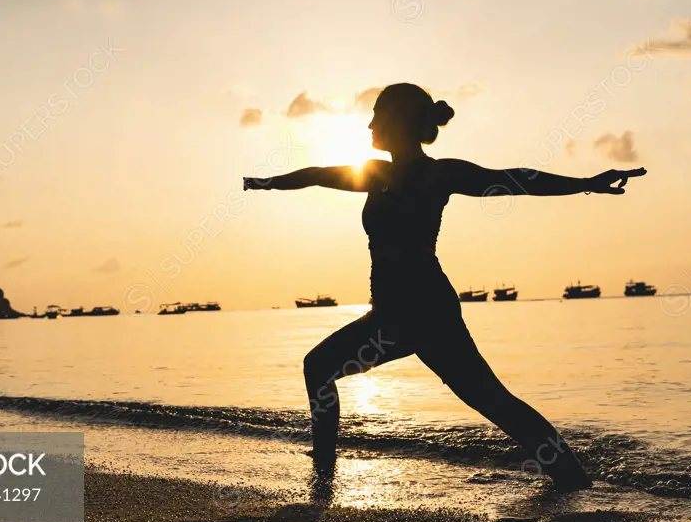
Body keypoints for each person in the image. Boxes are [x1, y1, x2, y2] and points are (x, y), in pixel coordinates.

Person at [243, 83, 646, 491]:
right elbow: (316, 175)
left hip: (428, 310)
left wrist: (585, 183)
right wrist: (264, 183)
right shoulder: (374, 173)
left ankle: (573, 479)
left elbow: (515, 180)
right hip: (390, 314)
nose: (369, 124)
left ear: (397, 121)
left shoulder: (439, 173)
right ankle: (324, 470)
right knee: (320, 368)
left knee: (491, 400)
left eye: (377, 116)